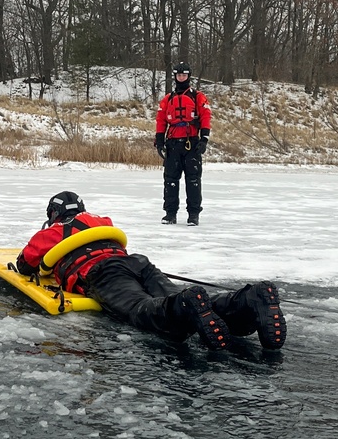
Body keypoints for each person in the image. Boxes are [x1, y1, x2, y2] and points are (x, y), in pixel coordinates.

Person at [15, 191, 285, 352]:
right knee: (182, 298)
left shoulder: (51, 232)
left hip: (102, 273)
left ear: (53, 213)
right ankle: (247, 300)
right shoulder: (100, 220)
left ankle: (187, 305)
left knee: (141, 309)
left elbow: (25, 264)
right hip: (136, 262)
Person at [155, 62, 211, 225]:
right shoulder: (168, 99)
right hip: (172, 143)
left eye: (184, 75)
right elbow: (161, 120)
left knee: (193, 180)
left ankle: (193, 214)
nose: (181, 78)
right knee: (170, 180)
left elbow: (206, 116)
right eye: (178, 75)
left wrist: (204, 139)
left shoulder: (197, 96)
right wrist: (159, 141)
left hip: (191, 142)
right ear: (175, 77)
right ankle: (170, 213)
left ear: (188, 76)